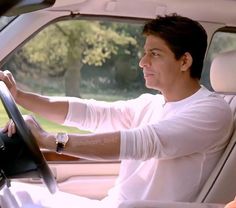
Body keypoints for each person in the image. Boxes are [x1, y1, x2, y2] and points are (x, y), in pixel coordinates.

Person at [0, 14, 233, 208]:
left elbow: (141, 143)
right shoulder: (151, 103)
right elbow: (91, 112)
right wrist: (20, 97)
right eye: (145, 52)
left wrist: (50, 140)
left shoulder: (211, 111)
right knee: (9, 195)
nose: (142, 62)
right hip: (112, 204)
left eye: (154, 54)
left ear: (184, 61)